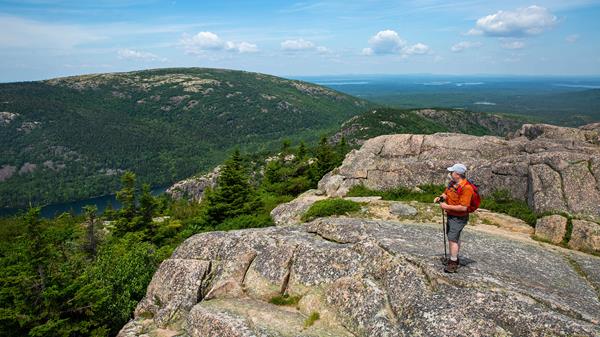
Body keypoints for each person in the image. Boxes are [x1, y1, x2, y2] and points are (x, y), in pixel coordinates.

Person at [434, 163, 474, 273]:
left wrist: (446, 206)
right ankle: (454, 258)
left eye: (452, 172)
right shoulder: (453, 184)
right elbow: (447, 193)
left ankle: (453, 262)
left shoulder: (467, 188)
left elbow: (463, 207)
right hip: (452, 215)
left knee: (452, 239)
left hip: (459, 218)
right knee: (453, 237)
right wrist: (441, 197)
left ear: (457, 174)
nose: (450, 174)